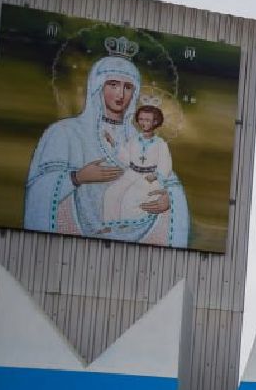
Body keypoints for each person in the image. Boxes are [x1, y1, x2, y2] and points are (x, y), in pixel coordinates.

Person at [23, 52, 188, 247]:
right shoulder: (65, 132)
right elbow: (40, 188)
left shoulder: (142, 137)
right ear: (97, 86)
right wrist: (77, 177)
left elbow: (167, 176)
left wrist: (169, 199)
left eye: (127, 87)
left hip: (139, 225)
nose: (120, 94)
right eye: (113, 85)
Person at [101, 100, 189, 246]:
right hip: (132, 173)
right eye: (141, 119)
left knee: (130, 198)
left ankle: (126, 226)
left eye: (147, 120)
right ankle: (110, 225)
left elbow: (165, 163)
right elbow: (126, 157)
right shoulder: (134, 140)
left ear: (155, 122)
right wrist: (113, 143)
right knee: (111, 192)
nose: (143, 123)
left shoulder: (160, 143)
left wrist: (156, 176)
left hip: (149, 177)